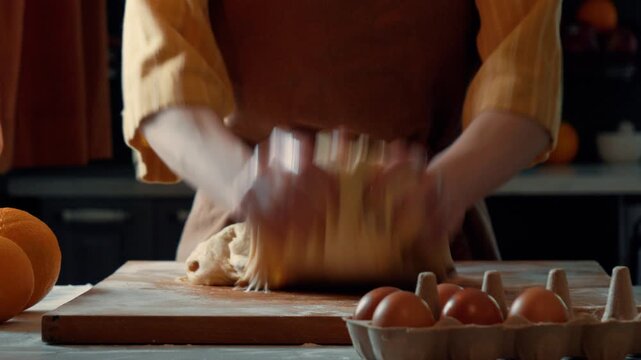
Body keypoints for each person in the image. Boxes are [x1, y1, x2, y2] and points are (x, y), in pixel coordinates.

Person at [122, 0, 561, 263]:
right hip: (241, 232)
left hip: (430, 246)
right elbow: (161, 83)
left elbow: (525, 76)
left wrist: (444, 188)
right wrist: (247, 184)